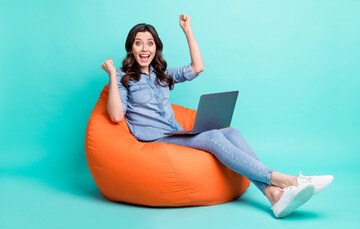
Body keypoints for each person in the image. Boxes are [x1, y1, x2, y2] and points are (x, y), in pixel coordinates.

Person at [101, 14, 333, 218]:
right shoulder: (124, 77)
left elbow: (197, 67)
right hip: (154, 139)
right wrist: (112, 75)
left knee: (230, 131)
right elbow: (116, 116)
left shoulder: (161, 74)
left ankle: (273, 195)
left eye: (149, 43)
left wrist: (187, 30)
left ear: (156, 47)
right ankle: (287, 180)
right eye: (138, 43)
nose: (144, 49)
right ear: (131, 47)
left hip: (174, 132)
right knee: (213, 138)